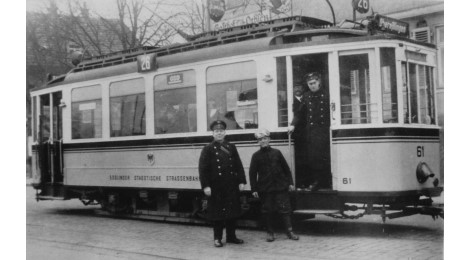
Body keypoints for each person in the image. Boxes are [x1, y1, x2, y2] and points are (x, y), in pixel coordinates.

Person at [198, 120, 247, 247]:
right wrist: (206, 186)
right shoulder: (208, 149)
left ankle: (231, 237)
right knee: (218, 214)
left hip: (231, 185)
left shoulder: (231, 147)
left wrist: (242, 181)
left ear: (225, 133)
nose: (219, 133)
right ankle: (217, 238)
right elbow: (203, 169)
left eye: (221, 131)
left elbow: (238, 165)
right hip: (216, 187)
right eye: (216, 131)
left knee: (232, 213)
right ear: (213, 134)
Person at [249, 128, 299, 242]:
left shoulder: (277, 152)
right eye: (260, 139)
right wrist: (254, 189)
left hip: (281, 187)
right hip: (266, 188)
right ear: (258, 142)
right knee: (268, 211)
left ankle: (290, 231)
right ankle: (270, 233)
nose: (263, 141)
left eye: (265, 138)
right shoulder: (255, 156)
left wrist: (290, 183)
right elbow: (252, 174)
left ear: (269, 139)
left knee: (285, 210)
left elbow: (286, 169)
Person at [289, 72, 331, 191]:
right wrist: (292, 125)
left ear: (319, 82)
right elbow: (299, 113)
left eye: (314, 83)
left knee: (323, 157)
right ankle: (316, 181)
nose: (312, 86)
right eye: (309, 84)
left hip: (324, 131)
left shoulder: (327, 95)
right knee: (313, 158)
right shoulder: (306, 96)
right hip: (312, 132)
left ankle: (324, 182)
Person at [292, 84, 307, 187]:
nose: (298, 89)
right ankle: (301, 182)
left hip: (308, 133)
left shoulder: (307, 98)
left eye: (299, 87)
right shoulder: (290, 101)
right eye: (295, 87)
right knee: (300, 159)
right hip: (297, 134)